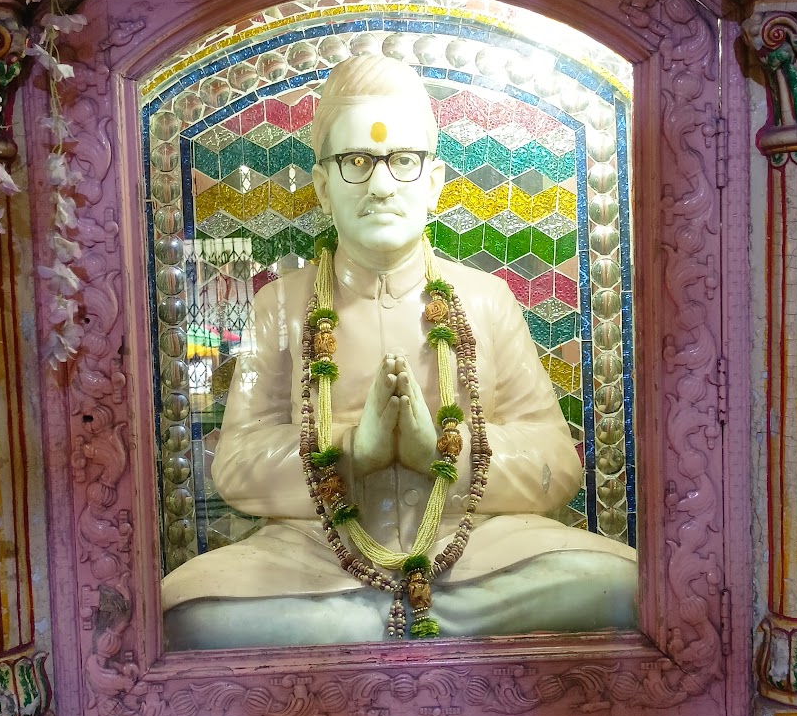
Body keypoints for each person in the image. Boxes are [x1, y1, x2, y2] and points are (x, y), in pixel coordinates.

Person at [162, 54, 636, 647]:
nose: (382, 184)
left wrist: (439, 450)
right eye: (357, 162)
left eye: (403, 162)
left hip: (471, 549)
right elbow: (235, 465)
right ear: (322, 184)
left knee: (625, 585)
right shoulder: (280, 305)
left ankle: (370, 625)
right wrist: (347, 451)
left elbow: (556, 461)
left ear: (434, 181)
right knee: (183, 614)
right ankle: (375, 619)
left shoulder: (485, 299)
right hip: (319, 553)